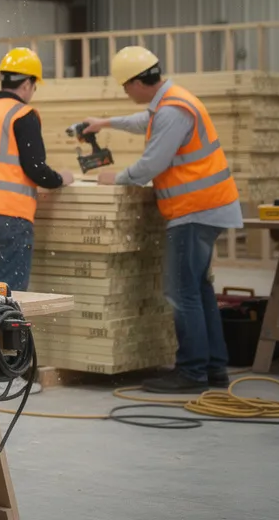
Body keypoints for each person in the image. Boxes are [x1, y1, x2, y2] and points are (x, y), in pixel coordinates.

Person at [79, 46, 241, 394]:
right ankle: (214, 369)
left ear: (139, 82)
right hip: (206, 207)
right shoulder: (173, 102)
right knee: (199, 288)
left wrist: (116, 178)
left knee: (181, 292)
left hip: (195, 210)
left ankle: (192, 372)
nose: (126, 92)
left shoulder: (171, 111)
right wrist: (106, 123)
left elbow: (153, 164)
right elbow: (144, 122)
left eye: (125, 86)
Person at [0, 48, 74, 292]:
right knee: (7, 296)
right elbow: (35, 169)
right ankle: (3, 331)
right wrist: (61, 179)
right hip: (9, 218)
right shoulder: (23, 115)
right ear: (27, 83)